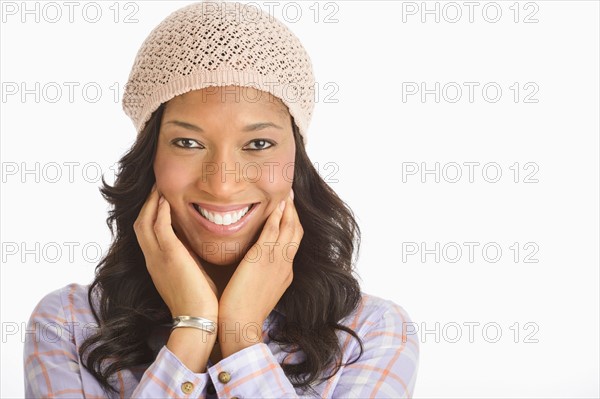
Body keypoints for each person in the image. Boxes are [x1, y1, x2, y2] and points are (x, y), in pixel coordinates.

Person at [23, 1, 419, 397]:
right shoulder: (68, 324)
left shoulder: (372, 332)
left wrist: (241, 335)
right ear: (151, 158)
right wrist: (193, 329)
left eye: (259, 143)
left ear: (296, 161)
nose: (223, 185)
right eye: (188, 142)